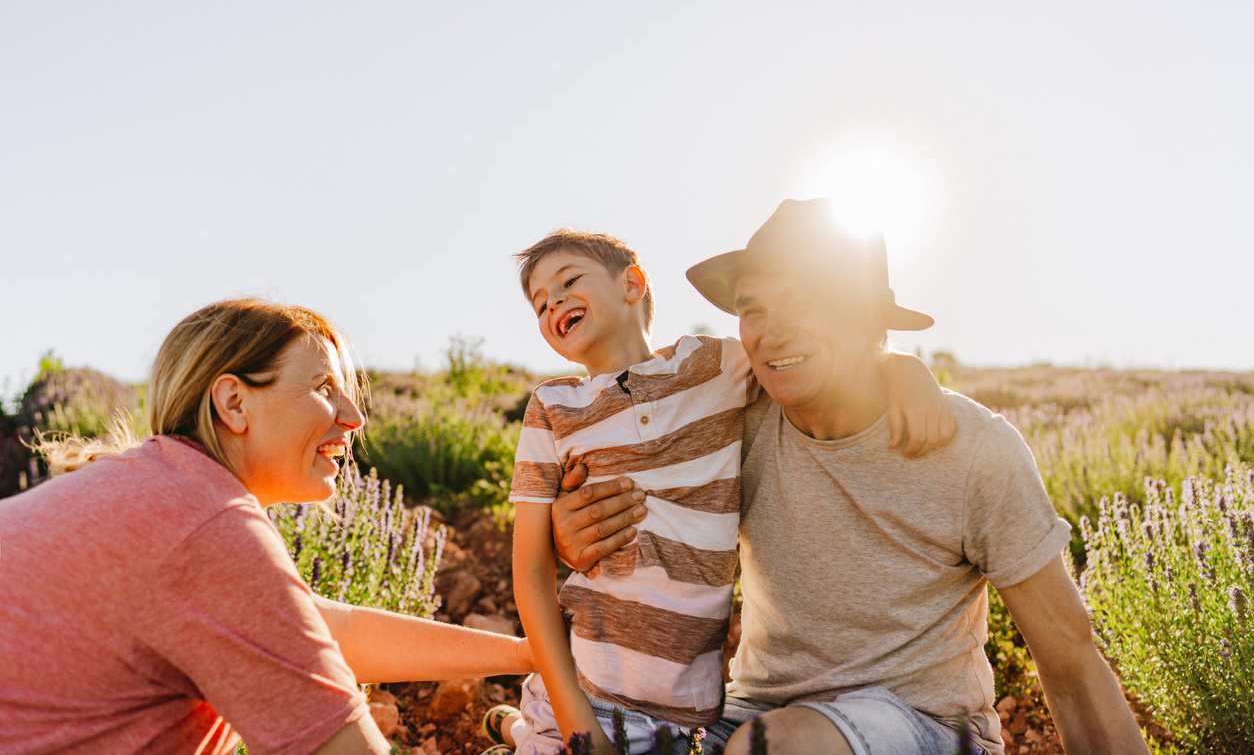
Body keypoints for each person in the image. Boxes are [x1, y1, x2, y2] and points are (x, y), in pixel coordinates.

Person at [550, 200, 1149, 755]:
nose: (769, 332)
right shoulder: (734, 424)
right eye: (753, 310)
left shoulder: (973, 452)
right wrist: (572, 533)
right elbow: (621, 484)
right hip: (754, 712)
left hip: (927, 727)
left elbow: (1071, 665)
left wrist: (896, 367)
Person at [0, 299, 535, 754]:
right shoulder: (205, 525)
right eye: (325, 387)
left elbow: (325, 632)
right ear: (233, 401)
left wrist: (526, 655)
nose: (355, 416)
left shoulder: (147, 487)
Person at [492, 229, 950, 755]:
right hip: (580, 695)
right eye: (540, 304)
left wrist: (902, 368)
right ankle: (527, 732)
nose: (555, 304)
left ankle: (512, 734)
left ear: (633, 285)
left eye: (569, 281)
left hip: (683, 717)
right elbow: (528, 571)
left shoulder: (715, 368)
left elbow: (812, 357)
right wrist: (575, 725)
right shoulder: (551, 408)